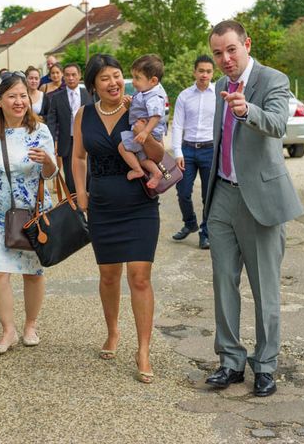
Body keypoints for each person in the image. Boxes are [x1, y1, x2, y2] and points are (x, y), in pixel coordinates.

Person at [203, 20, 303, 397]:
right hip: (223, 196)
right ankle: (230, 361)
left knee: (265, 289)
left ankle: (265, 364)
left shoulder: (273, 79)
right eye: (217, 53)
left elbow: (278, 124)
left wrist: (247, 111)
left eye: (231, 49)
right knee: (223, 286)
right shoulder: (217, 88)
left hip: (259, 199)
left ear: (246, 43)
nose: (225, 58)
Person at [72, 54, 162, 384]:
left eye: (118, 76)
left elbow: (157, 154)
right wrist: (80, 192)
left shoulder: (137, 107)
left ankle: (143, 350)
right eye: (105, 78)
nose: (113, 83)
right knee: (109, 276)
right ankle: (112, 331)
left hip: (139, 201)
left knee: (139, 277)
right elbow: (79, 157)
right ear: (93, 84)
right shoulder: (83, 115)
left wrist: (145, 134)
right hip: (103, 204)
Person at [0, 71, 58, 354]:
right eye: (11, 96)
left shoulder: (40, 131)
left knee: (33, 273)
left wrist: (47, 161)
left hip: (32, 215)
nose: (18, 101)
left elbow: (51, 175)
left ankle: (30, 325)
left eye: (23, 96)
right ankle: (8, 330)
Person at [171, 55, 216, 250]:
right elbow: (177, 125)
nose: (204, 75)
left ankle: (205, 233)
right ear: (194, 72)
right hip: (188, 150)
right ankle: (190, 223)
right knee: (183, 192)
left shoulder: (218, 94)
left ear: (213, 73)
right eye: (201, 71)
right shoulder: (184, 96)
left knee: (209, 195)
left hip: (210, 150)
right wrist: (178, 152)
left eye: (208, 71)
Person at [118, 54, 168, 189]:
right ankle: (156, 173)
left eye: (137, 78)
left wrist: (145, 132)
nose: (133, 82)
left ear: (153, 80)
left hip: (147, 132)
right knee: (143, 158)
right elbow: (138, 110)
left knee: (122, 147)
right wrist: (129, 106)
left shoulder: (154, 96)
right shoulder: (144, 91)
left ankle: (138, 170)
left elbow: (156, 116)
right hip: (143, 131)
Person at [46, 63, 92, 193]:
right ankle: (73, 205)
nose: (71, 78)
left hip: (87, 139)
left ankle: (89, 202)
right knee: (70, 176)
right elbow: (52, 120)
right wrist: (52, 140)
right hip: (67, 141)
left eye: (73, 75)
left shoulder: (88, 94)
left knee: (88, 173)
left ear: (79, 76)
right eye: (67, 75)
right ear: (63, 77)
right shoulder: (56, 97)